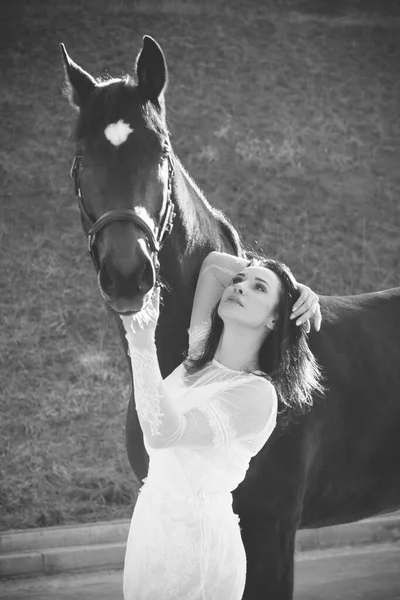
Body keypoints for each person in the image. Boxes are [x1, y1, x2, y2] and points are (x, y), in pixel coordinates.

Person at [121, 250, 324, 600]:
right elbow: (215, 265)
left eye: (256, 288)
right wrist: (281, 282)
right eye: (238, 283)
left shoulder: (256, 395)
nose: (239, 287)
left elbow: (163, 432)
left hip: (197, 547)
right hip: (149, 529)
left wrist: (141, 344)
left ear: (275, 319)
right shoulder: (198, 357)